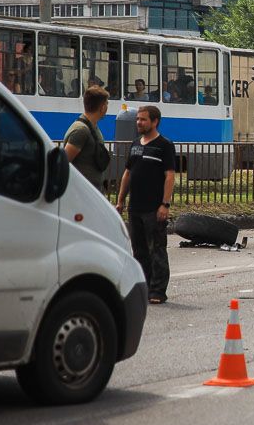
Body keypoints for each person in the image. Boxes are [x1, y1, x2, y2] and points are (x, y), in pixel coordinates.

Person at [116, 106, 177, 304]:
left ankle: (158, 290)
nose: (139, 123)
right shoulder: (135, 145)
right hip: (136, 208)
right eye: (137, 120)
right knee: (139, 250)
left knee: (157, 250)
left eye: (143, 120)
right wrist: (120, 199)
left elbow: (169, 176)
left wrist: (165, 204)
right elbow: (127, 173)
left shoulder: (164, 145)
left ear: (155, 121)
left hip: (154, 208)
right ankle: (144, 286)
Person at [63, 86, 112, 189]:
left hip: (92, 192)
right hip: (80, 193)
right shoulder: (81, 130)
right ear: (102, 107)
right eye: (107, 104)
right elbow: (64, 162)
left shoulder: (93, 127)